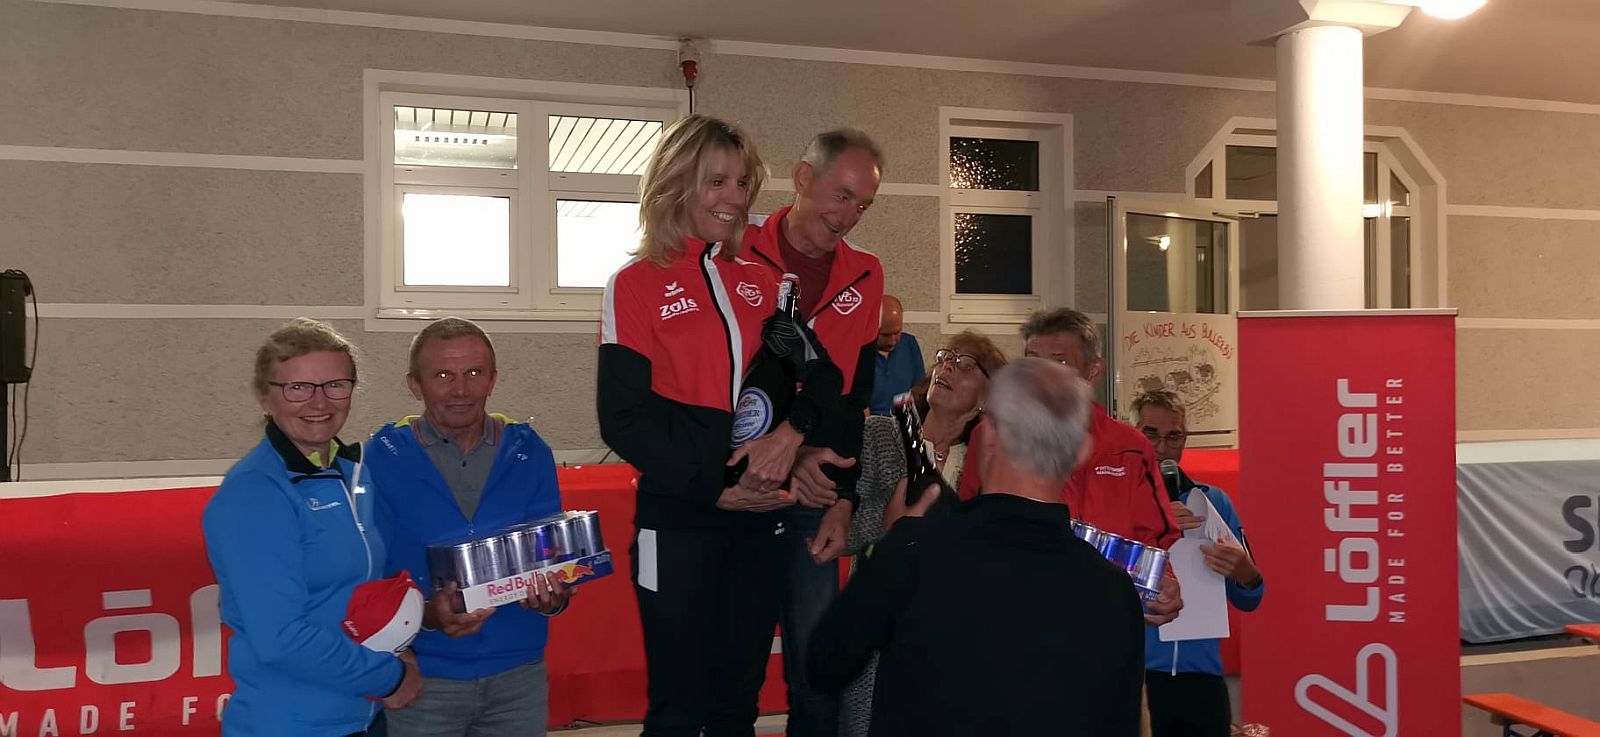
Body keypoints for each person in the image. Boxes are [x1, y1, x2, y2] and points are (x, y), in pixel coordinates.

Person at [599, 114, 836, 737]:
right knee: (678, 705)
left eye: (742, 182)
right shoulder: (636, 285)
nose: (735, 198)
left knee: (737, 701)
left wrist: (789, 437)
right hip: (678, 518)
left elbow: (825, 380)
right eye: (717, 181)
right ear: (676, 183)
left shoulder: (764, 284)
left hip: (757, 521)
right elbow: (622, 420)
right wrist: (714, 488)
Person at [809, 358, 1146, 737]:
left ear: (987, 437)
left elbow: (825, 662)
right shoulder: (1116, 591)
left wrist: (891, 542)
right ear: (1082, 452)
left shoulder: (916, 552)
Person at [203, 318, 421, 736]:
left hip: (360, 715)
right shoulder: (256, 493)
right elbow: (281, 638)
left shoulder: (350, 475)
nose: (319, 402)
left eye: (335, 385)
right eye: (297, 388)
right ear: (265, 396)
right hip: (290, 723)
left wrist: (402, 637)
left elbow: (355, 592)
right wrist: (389, 677)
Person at [365, 317, 574, 737]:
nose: (460, 390)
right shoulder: (381, 458)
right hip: (423, 678)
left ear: (493, 379)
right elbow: (369, 577)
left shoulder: (530, 451)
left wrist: (554, 598)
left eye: (474, 373)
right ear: (414, 385)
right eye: (443, 375)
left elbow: (555, 559)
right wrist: (427, 617)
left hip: (518, 677)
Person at [742, 129, 886, 737]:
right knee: (732, 674)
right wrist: (791, 451)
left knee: (816, 673)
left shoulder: (866, 273)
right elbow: (722, 386)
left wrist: (844, 501)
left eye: (862, 206)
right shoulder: (733, 251)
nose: (848, 216)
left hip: (815, 495)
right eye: (842, 195)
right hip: (740, 490)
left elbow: (854, 398)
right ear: (803, 178)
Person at [958, 307, 1184, 624]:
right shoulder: (992, 436)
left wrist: (1164, 583)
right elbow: (968, 525)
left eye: (1059, 362)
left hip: (1106, 619)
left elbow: (1157, 538)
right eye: (1032, 361)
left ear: (1094, 370)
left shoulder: (1130, 447)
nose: (1041, 376)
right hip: (1015, 615)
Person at [840, 330, 1005, 737]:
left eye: (966, 365)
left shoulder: (989, 463)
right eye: (946, 357)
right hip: (881, 633)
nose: (947, 366)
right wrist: (889, 521)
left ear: (987, 399)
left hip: (955, 640)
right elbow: (843, 533)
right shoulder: (880, 434)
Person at [1131, 390, 1264, 737]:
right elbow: (1097, 586)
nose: (1162, 447)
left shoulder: (1214, 501)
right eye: (1151, 434)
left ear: (1184, 439)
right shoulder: (1119, 501)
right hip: (1136, 676)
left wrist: (1246, 574)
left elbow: (1251, 597)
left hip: (1203, 681)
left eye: (1173, 436)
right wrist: (1154, 530)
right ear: (1134, 435)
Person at [868, 295, 925, 416]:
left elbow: (919, 390)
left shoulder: (909, 344)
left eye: (897, 332)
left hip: (904, 420)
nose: (892, 341)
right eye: (885, 335)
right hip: (871, 423)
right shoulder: (859, 352)